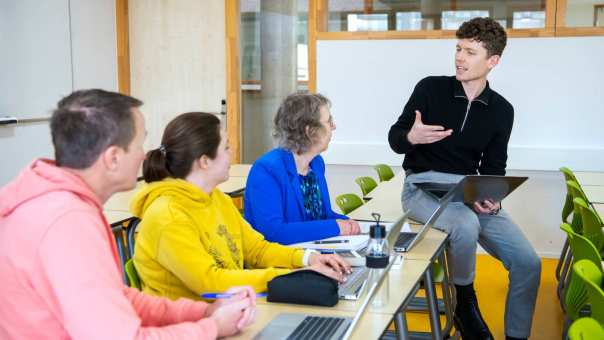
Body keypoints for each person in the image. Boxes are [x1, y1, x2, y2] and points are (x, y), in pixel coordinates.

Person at [0, 89, 256, 339]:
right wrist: (211, 328)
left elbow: (118, 297)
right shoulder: (66, 222)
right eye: (138, 144)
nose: (145, 154)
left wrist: (204, 312)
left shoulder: (65, 204)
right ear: (113, 158)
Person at [388, 18, 540, 340]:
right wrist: (412, 137)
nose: (459, 58)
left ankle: (517, 336)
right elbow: (395, 138)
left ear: (492, 61)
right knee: (465, 224)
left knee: (529, 262)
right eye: (458, 48)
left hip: (468, 192)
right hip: (421, 188)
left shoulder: (502, 110)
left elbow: (495, 165)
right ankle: (464, 303)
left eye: (470, 52)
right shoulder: (430, 88)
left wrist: (492, 194)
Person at [130, 111, 351, 300]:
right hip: (187, 327)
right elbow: (210, 282)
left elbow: (257, 250)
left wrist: (308, 258)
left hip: (229, 311)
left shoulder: (217, 199)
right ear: (205, 161)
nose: (232, 153)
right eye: (226, 147)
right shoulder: (168, 217)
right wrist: (292, 276)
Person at [244, 92, 361, 245]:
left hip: (313, 253)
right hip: (280, 262)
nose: (334, 126)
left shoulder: (316, 163)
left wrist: (348, 222)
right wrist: (335, 226)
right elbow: (274, 232)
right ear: (310, 131)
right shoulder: (266, 170)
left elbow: (321, 216)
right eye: (328, 121)